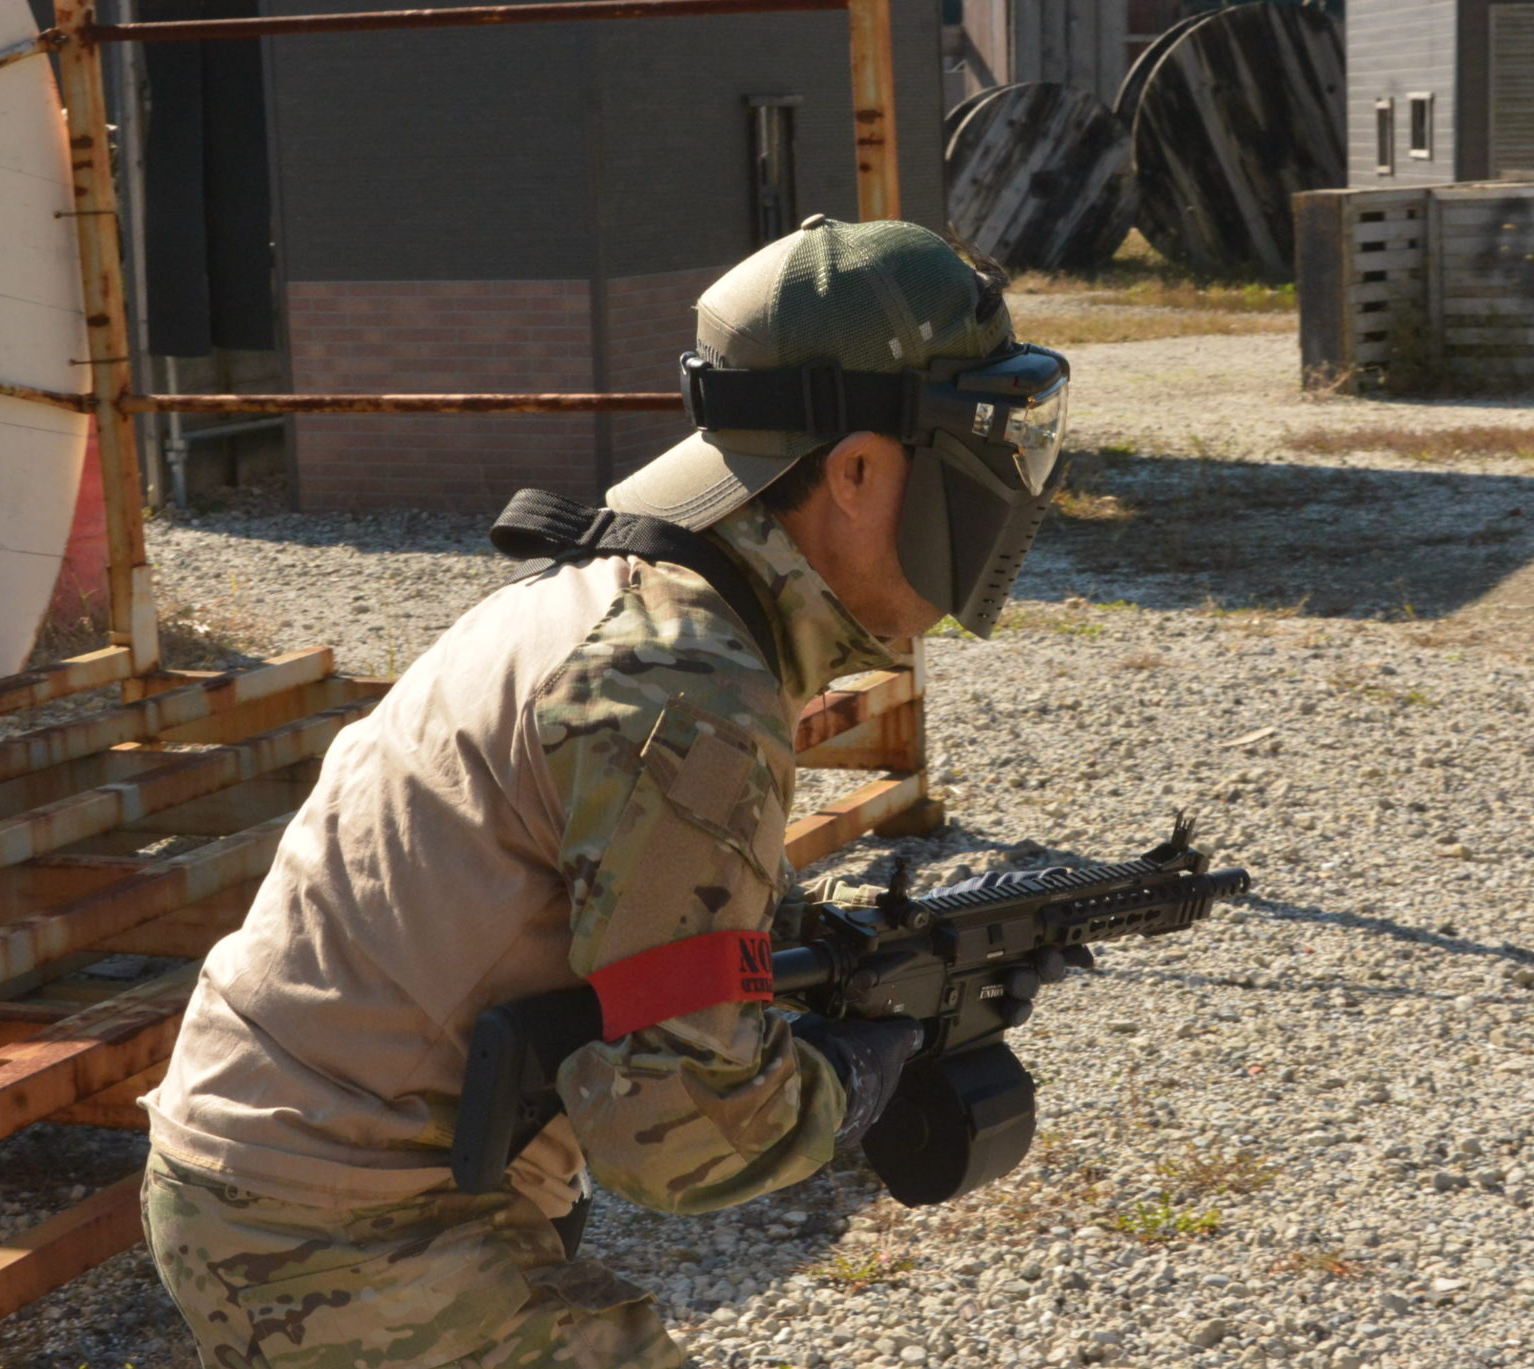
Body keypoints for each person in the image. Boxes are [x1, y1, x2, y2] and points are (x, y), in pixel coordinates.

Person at [138, 215, 1071, 1368]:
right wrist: (864, 1066)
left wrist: (866, 967)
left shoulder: (641, 602)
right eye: (984, 440)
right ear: (857, 470)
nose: (1010, 487)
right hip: (332, 1223)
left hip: (288, 1171)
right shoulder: (687, 687)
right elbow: (679, 1135)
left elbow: (643, 938)